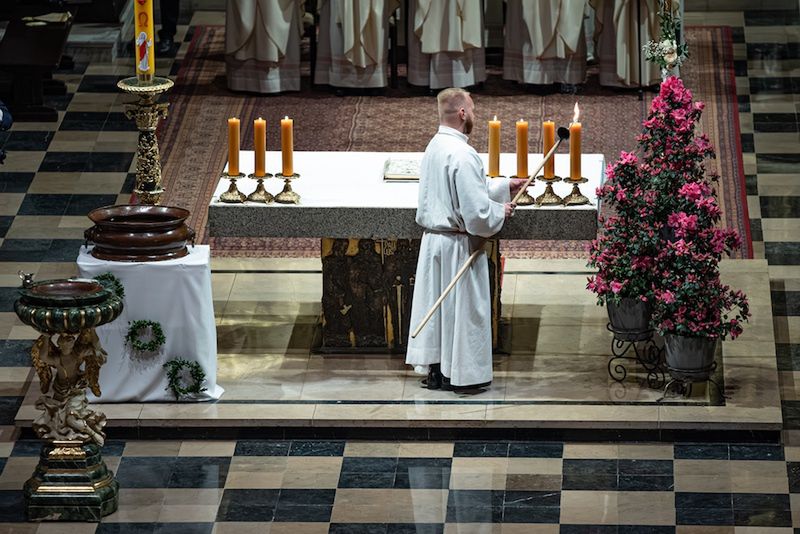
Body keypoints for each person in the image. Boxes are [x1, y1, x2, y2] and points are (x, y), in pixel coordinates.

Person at [405, 88, 526, 391]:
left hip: (435, 243)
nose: (474, 115)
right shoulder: (463, 154)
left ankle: (437, 371)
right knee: (462, 313)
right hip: (458, 246)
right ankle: (463, 376)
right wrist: (500, 210)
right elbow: (476, 216)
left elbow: (467, 187)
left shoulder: (436, 145)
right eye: (471, 110)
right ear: (461, 113)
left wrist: (502, 187)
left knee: (439, 311)